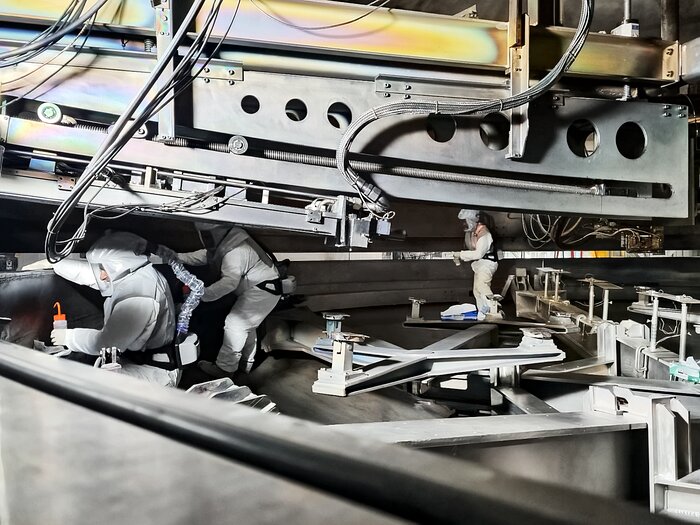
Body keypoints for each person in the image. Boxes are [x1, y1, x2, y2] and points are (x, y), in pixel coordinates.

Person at [160, 225, 281, 377]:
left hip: (264, 290)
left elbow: (228, 283)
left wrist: (201, 295)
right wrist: (176, 256)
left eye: (207, 234)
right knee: (247, 327)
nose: (206, 238)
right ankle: (245, 364)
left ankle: (225, 369)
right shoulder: (229, 243)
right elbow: (206, 255)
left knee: (236, 324)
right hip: (263, 288)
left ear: (217, 232)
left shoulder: (237, 250)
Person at [50, 231, 175, 356]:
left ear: (118, 266)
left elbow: (106, 344)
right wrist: (54, 264)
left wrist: (68, 337)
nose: (102, 276)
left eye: (104, 269)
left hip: (147, 367)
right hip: (141, 357)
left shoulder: (139, 295)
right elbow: (89, 275)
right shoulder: (137, 273)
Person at [453, 209, 498, 319]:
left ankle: (494, 312)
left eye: (465, 221)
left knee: (483, 288)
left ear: (472, 220)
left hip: (487, 264)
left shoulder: (484, 234)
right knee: (477, 291)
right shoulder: (475, 232)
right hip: (481, 265)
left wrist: (460, 254)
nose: (464, 224)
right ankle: (482, 315)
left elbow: (478, 254)